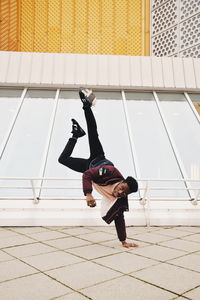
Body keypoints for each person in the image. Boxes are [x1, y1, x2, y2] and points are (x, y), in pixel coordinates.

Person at [58, 87, 139, 248]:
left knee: (63, 159)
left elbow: (119, 217)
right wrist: (88, 194)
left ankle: (76, 134)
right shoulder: (109, 173)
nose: (121, 192)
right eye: (122, 188)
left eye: (125, 192)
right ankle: (86, 105)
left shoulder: (121, 196)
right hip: (98, 158)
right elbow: (88, 175)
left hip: (88, 166)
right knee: (93, 132)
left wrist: (123, 241)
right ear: (121, 181)